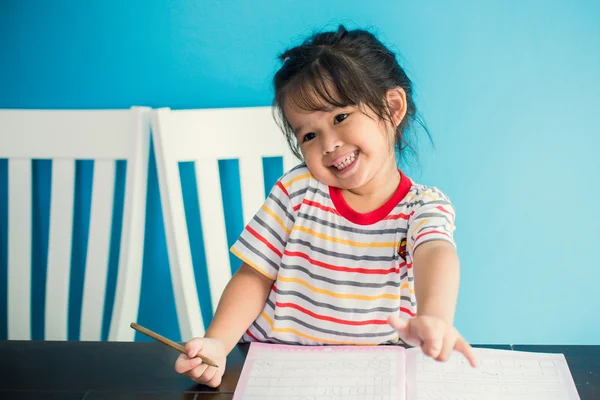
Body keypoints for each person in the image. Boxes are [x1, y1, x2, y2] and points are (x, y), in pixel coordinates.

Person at [175, 25, 477, 387]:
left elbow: (436, 252)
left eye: (340, 117)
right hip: (275, 366)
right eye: (309, 135)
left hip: (372, 374)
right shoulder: (297, 191)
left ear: (393, 107)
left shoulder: (422, 206)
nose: (329, 144)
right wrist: (218, 343)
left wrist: (436, 317)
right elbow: (254, 276)